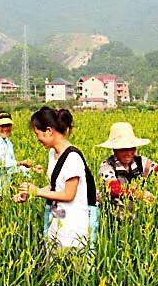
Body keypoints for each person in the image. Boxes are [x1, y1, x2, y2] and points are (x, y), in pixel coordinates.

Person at [15, 107, 97, 251]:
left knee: (75, 267)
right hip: (57, 219)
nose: (37, 139)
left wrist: (37, 192)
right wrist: (30, 191)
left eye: (37, 134)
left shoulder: (73, 158)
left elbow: (68, 194)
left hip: (74, 226)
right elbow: (55, 186)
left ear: (48, 131)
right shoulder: (53, 153)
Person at [96, 122, 158, 214]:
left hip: (137, 211)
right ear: (114, 149)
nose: (129, 153)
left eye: (132, 148)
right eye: (124, 149)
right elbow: (113, 188)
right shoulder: (107, 166)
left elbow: (157, 169)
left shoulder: (139, 161)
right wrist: (139, 194)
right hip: (113, 211)